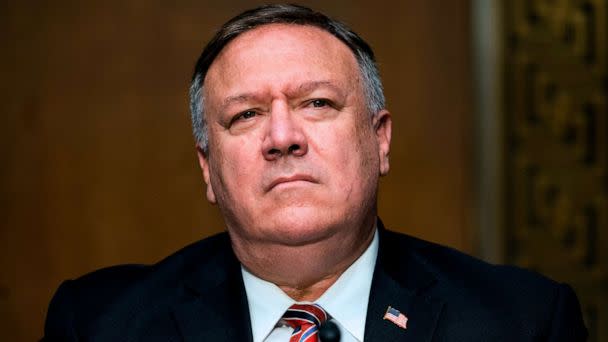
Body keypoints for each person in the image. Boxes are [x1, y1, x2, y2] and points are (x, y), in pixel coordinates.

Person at [43, 4, 587, 341]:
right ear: (208, 167)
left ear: (379, 140)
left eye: (318, 103)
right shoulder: (97, 324)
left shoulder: (524, 322)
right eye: (247, 114)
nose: (283, 137)